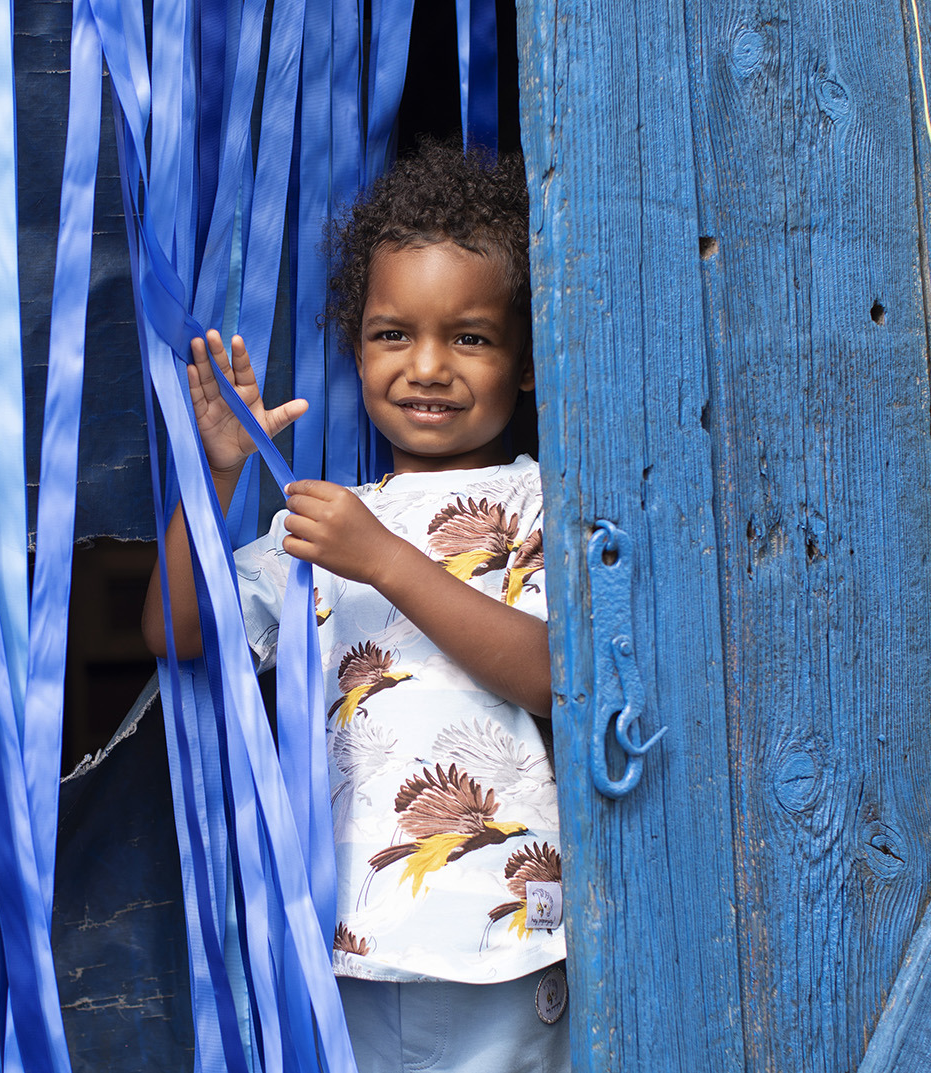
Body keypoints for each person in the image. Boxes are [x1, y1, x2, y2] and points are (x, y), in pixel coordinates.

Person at [142, 140, 567, 1073]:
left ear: (528, 357)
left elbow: (552, 674)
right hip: (357, 943)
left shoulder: (544, 504)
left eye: (470, 337)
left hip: (506, 942)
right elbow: (175, 629)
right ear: (357, 345)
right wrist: (215, 476)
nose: (428, 366)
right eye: (392, 335)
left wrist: (385, 561)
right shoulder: (328, 523)